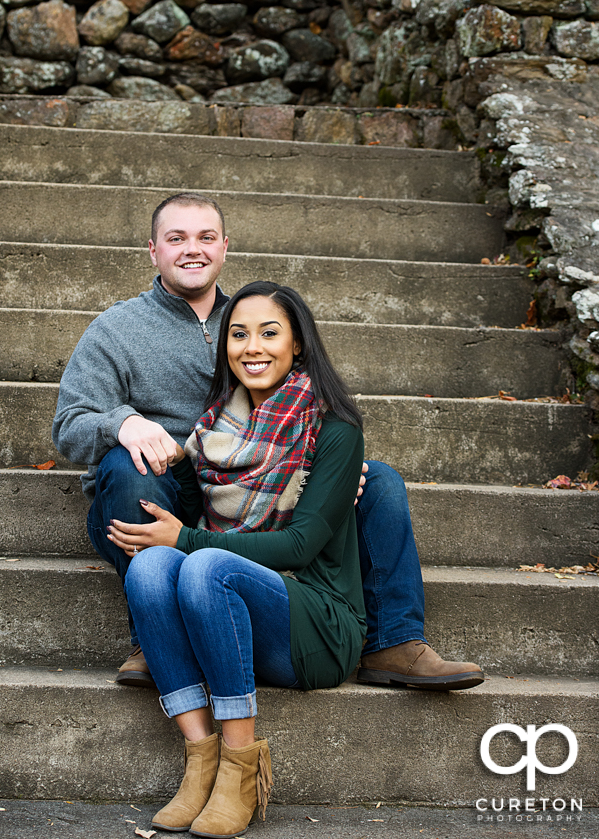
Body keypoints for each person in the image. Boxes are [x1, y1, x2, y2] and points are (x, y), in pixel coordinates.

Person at [52, 192, 483, 692]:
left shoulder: (252, 315)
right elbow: (69, 426)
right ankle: (153, 637)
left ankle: (394, 640)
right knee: (132, 469)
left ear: (225, 247)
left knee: (380, 478)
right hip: (176, 487)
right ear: (153, 250)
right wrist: (124, 424)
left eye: (206, 237)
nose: (193, 249)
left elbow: (308, 401)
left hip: (267, 483)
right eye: (177, 239)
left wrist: (327, 470)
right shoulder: (116, 330)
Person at [106, 282, 367, 837]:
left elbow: (299, 547)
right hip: (232, 614)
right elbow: (192, 502)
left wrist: (187, 541)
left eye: (270, 333)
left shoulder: (336, 429)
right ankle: (201, 759)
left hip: (317, 624)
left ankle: (240, 767)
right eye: (238, 333)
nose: (253, 346)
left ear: (298, 344)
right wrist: (166, 457)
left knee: (202, 564)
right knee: (150, 567)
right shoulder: (214, 431)